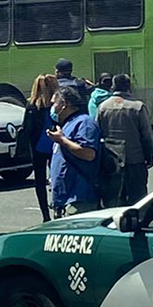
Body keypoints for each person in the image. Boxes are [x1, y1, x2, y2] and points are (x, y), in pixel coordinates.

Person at [97, 74, 153, 205]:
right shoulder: (137, 107)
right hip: (135, 159)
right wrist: (149, 156)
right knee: (138, 200)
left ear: (113, 87)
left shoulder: (103, 107)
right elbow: (147, 136)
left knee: (113, 200)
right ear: (129, 87)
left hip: (111, 161)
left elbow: (98, 133)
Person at [47, 86, 103, 217]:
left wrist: (62, 140)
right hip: (64, 199)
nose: (52, 108)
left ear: (64, 104)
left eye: (54, 103)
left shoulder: (84, 123)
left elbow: (89, 154)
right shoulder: (66, 125)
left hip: (79, 198)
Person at [26, 74, 59, 222]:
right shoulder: (56, 105)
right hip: (55, 144)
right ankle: (58, 209)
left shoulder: (32, 105)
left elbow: (26, 128)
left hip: (38, 146)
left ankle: (45, 215)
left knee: (39, 181)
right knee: (57, 177)